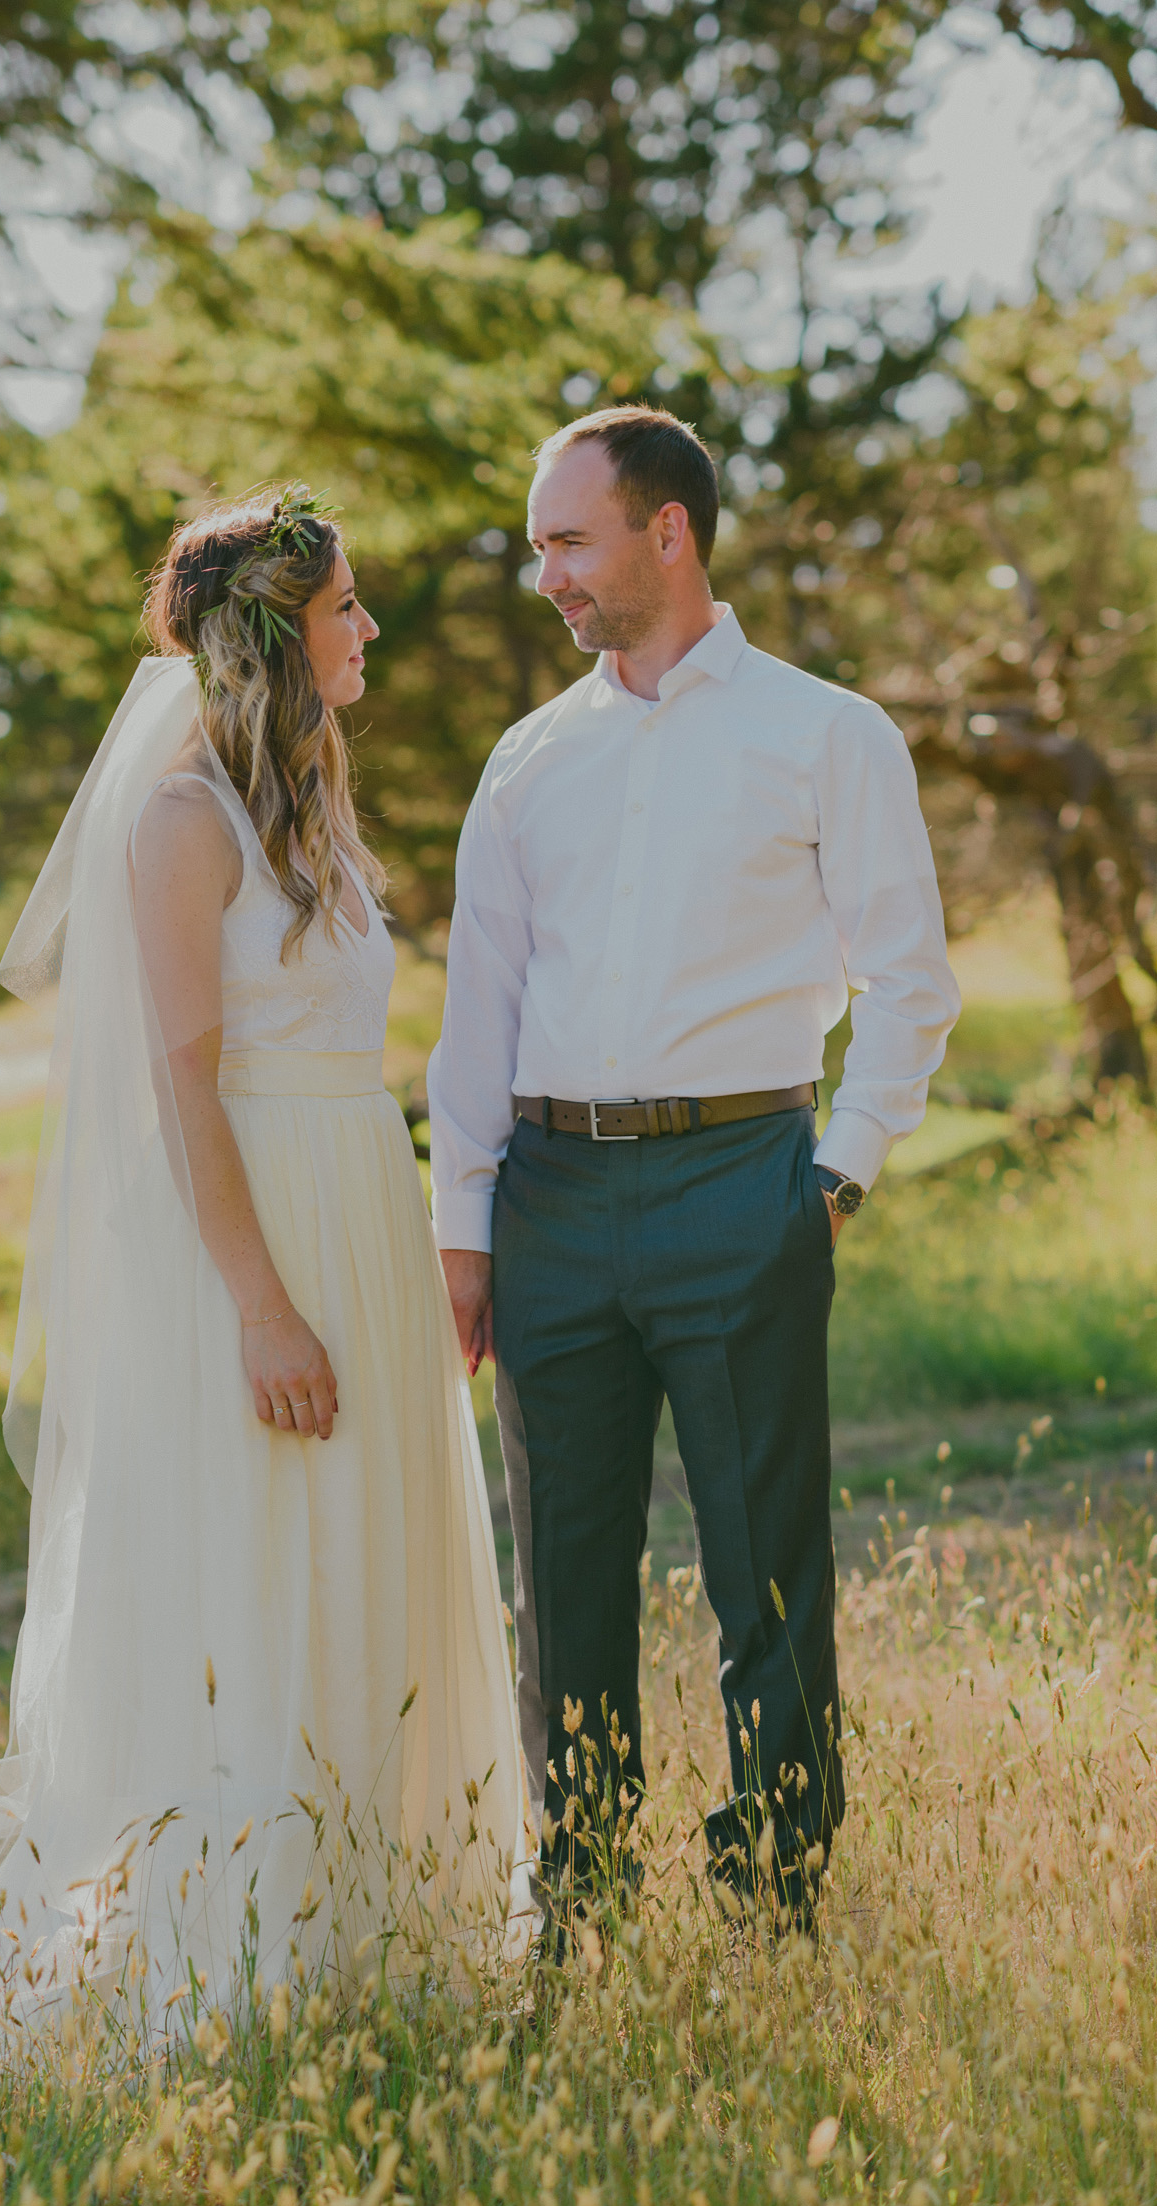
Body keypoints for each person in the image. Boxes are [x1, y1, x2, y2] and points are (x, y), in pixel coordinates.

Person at [0, 488, 529, 2114]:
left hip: (362, 1203)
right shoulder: (181, 824)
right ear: (282, 632)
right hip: (260, 1244)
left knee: (369, 1560)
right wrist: (262, 1307)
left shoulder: (311, 808)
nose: (372, 632)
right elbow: (178, 1096)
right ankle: (247, 1944)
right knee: (263, 1578)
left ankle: (382, 1921)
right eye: (348, 608)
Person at [428, 407, 960, 1925]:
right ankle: (581, 1896)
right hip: (550, 1200)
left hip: (747, 1186)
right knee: (567, 1578)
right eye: (539, 547)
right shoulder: (528, 761)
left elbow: (909, 981)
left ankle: (778, 1888)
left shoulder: (825, 733)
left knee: (765, 1572)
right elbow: (484, 1007)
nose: (547, 578)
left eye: (568, 542)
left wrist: (835, 1176)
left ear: (671, 531)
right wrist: (466, 1224)